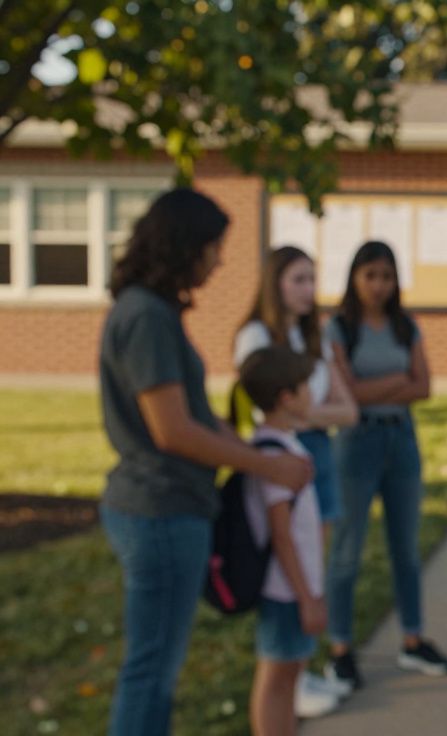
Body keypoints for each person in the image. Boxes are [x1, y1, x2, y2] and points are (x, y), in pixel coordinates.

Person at [98, 189, 312, 736]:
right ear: (185, 246)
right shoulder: (146, 317)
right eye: (215, 248)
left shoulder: (154, 311)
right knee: (152, 671)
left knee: (156, 668)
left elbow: (197, 414)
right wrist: (267, 466)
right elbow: (173, 430)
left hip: (169, 507)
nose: (218, 261)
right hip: (161, 509)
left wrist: (247, 440)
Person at [323, 241, 447, 691]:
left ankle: (412, 639)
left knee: (406, 548)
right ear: (354, 278)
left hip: (401, 440)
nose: (379, 285)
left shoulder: (405, 326)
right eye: (370, 275)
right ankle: (340, 649)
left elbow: (424, 387)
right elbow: (346, 395)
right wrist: (396, 381)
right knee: (346, 550)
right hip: (355, 445)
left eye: (386, 276)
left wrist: (375, 388)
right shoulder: (338, 328)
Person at [233, 245, 359, 708]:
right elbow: (257, 405)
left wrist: (306, 413)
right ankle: (287, 676)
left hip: (319, 457)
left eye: (312, 279)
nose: (309, 289)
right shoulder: (254, 337)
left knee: (314, 562)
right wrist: (311, 414)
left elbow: (349, 410)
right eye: (298, 279)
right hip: (280, 462)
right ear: (275, 282)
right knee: (288, 567)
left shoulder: (316, 338)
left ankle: (301, 672)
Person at [240, 346, 338, 732]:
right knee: (277, 679)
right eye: (306, 387)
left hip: (296, 589)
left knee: (290, 675)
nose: (313, 394)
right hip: (283, 591)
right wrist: (306, 597)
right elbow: (281, 535)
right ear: (287, 397)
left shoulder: (286, 445)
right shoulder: (273, 455)